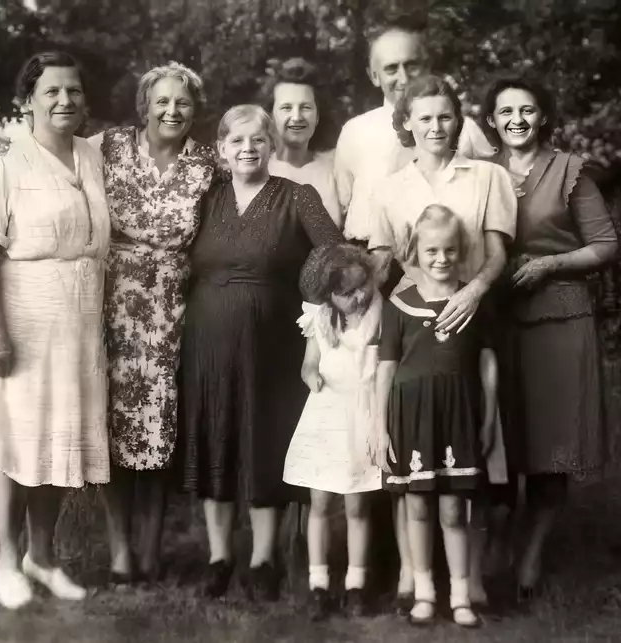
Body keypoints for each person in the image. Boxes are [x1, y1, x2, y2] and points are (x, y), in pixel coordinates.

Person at [0, 51, 111, 609]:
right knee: (16, 441)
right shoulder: (0, 166)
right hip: (22, 314)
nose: (64, 101)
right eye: (50, 92)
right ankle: (7, 558)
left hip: (79, 319)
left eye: (73, 91)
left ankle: (42, 557)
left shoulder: (94, 157)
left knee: (57, 443)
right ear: (26, 101)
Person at [178, 105, 344, 602]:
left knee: (264, 442)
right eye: (236, 141)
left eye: (258, 140)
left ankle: (264, 559)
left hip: (272, 343)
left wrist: (312, 311)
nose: (247, 149)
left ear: (272, 146)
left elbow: (334, 256)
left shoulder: (298, 197)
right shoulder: (206, 199)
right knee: (215, 440)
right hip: (207, 338)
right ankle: (218, 557)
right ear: (222, 150)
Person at [368, 74, 516, 609]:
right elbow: (383, 260)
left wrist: (473, 292)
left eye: (446, 116)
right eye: (424, 117)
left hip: (472, 310)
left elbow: (497, 254)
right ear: (407, 123)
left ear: (460, 120)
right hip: (412, 322)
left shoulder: (486, 177)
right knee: (410, 448)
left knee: (473, 456)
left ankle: (469, 579)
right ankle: (413, 574)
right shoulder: (390, 186)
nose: (436, 126)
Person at [481, 75, 619, 599]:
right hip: (494, 322)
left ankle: (529, 560)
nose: (517, 119)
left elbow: (604, 246)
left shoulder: (570, 171)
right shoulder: (479, 172)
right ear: (491, 120)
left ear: (543, 117)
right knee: (498, 443)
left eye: (528, 110)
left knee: (549, 446)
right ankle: (494, 550)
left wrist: (550, 265)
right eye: (505, 111)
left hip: (559, 323)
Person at [87, 62, 216, 586]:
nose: (172, 111)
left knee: (159, 430)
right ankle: (120, 550)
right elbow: (53, 162)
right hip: (110, 305)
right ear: (144, 106)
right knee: (112, 429)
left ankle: (151, 549)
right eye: (161, 101)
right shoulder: (107, 146)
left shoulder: (207, 165)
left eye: (182, 103)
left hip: (170, 311)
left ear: (194, 111)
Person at [376, 204, 498, 628]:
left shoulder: (471, 301)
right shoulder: (399, 305)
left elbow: (486, 362)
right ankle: (424, 593)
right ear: (414, 252)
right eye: (431, 252)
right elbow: (386, 367)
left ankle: (461, 595)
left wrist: (487, 418)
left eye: (449, 251)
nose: (441, 260)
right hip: (411, 417)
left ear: (460, 251)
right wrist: (379, 425)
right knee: (417, 509)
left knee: (453, 510)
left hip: (458, 415)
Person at [282, 244, 383, 620]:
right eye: (346, 293)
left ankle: (356, 583)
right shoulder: (321, 321)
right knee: (320, 502)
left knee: (357, 503)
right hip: (327, 415)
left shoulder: (379, 314)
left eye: (362, 287)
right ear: (328, 295)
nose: (357, 297)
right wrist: (313, 377)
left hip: (363, 414)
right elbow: (309, 365)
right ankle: (318, 582)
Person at [334, 19, 494, 248]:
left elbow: (492, 196)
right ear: (374, 76)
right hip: (370, 255)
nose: (404, 77)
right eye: (391, 68)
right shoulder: (355, 132)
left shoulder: (464, 128)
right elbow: (344, 202)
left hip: (445, 258)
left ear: (426, 67)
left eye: (412, 65)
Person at [259, 57, 342, 226]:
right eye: (286, 108)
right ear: (271, 116)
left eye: (305, 107)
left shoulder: (336, 167)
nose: (297, 117)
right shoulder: (257, 169)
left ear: (317, 116)